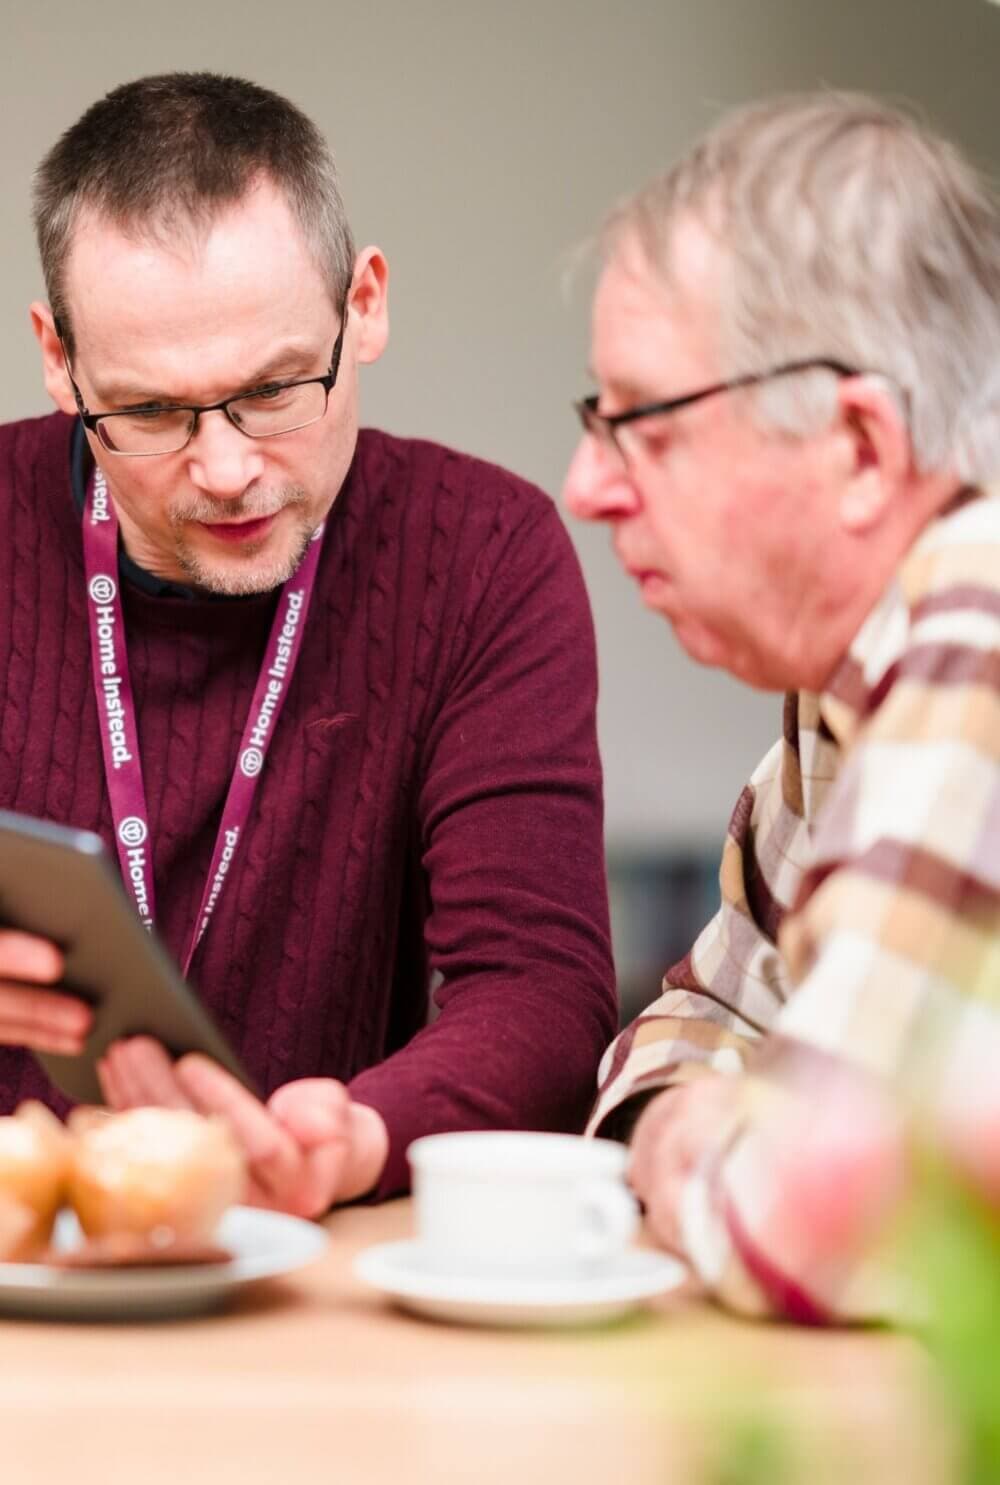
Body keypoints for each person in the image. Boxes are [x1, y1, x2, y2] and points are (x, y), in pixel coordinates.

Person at [0, 71, 616, 1216]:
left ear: (364, 304)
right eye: (150, 412)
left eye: (277, 390)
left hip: (321, 1250)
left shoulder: (482, 552)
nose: (227, 469)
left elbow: (538, 989)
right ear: (57, 358)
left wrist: (356, 1138)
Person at [563, 92, 1000, 1322]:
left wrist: (685, 1133)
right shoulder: (845, 677)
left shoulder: (977, 620)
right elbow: (697, 1016)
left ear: (859, 449)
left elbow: (795, 1224)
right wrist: (698, 1115)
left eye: (642, 423)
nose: (586, 485)